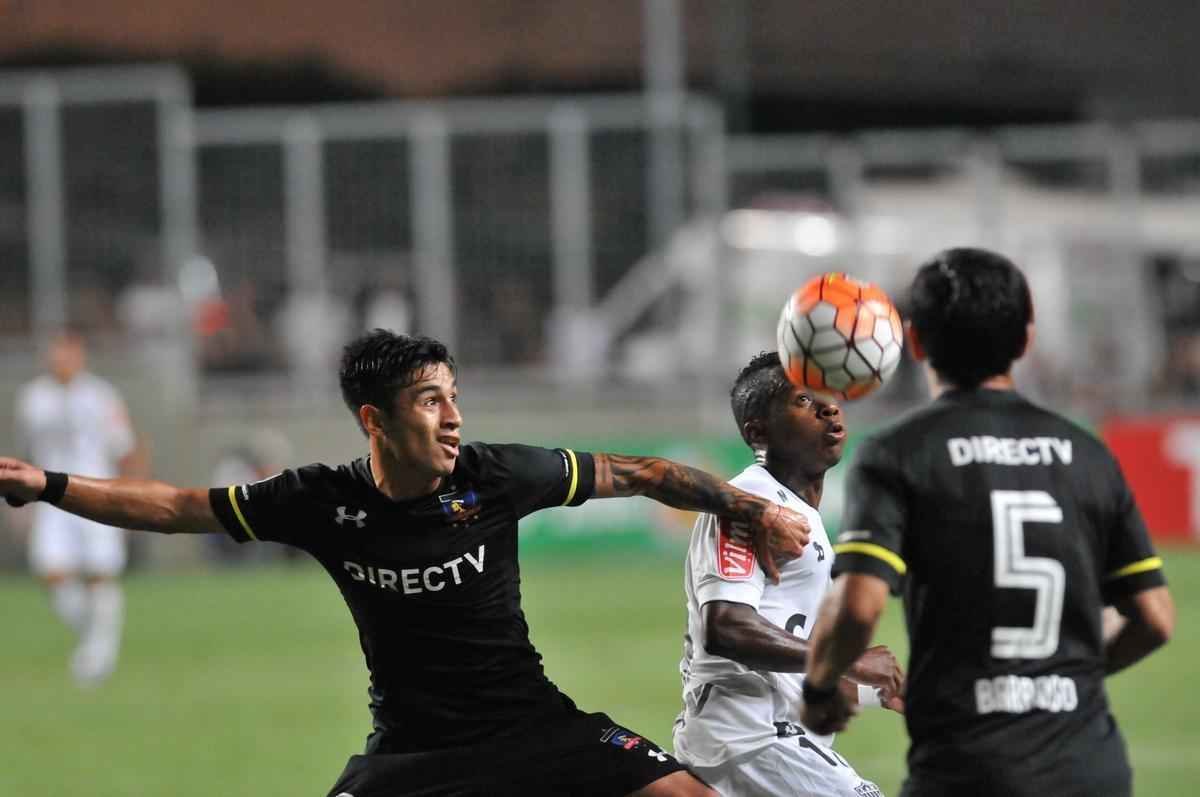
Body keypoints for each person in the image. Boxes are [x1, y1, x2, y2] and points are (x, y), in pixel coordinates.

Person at [1, 328, 813, 797]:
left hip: (534, 727)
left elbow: (639, 472)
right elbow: (177, 506)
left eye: (454, 396)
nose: (453, 416)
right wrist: (49, 485)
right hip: (412, 755)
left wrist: (751, 509)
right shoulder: (320, 499)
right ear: (375, 419)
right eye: (431, 400)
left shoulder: (496, 475)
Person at [799, 248, 1176, 797]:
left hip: (969, 768)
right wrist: (1070, 676)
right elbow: (1155, 619)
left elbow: (859, 606)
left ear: (916, 342)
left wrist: (819, 687)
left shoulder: (899, 453)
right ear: (1026, 339)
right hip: (1092, 769)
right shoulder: (1089, 454)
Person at [673, 351, 903, 797]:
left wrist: (879, 689)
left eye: (829, 396)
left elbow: (787, 669)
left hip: (764, 741)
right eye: (803, 400)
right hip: (750, 741)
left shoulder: (797, 510)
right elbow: (725, 629)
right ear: (758, 432)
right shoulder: (749, 504)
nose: (829, 408)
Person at [14, 329, 138, 685]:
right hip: (51, 497)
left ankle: (99, 653)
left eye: (68, 351)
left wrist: (130, 496)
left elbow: (125, 447)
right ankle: (97, 640)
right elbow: (26, 452)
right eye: (56, 351)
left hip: (96, 492)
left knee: (100, 570)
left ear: (80, 354)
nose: (61, 358)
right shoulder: (33, 398)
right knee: (51, 571)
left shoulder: (101, 396)